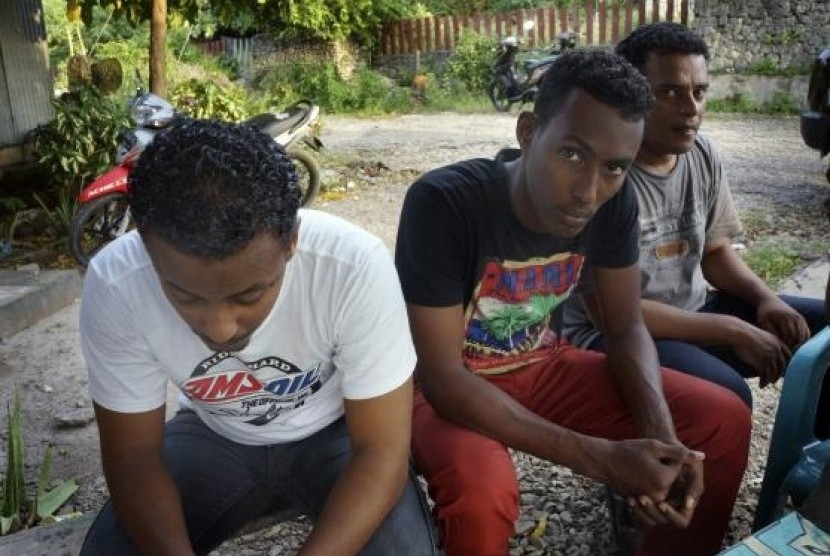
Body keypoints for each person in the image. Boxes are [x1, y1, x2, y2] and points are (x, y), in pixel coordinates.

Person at [395, 48, 751, 556]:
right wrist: (601, 458)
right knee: (483, 494)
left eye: (614, 167)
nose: (589, 190)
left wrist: (662, 443)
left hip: (542, 363)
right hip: (438, 385)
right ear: (527, 131)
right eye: (573, 154)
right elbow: (442, 378)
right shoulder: (445, 203)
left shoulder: (613, 200)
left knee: (721, 418)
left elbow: (625, 326)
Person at [78, 119, 441, 556]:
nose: (219, 328)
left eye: (249, 293)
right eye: (183, 294)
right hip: (212, 436)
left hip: (338, 433)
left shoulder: (352, 267)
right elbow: (133, 457)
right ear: (147, 246)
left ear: (292, 241)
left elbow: (381, 451)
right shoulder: (118, 282)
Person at [563, 22, 826, 409]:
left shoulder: (702, 154)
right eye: (669, 92)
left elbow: (715, 251)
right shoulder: (602, 176)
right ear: (629, 96)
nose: (691, 109)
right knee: (727, 398)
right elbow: (608, 312)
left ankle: (811, 463)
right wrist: (732, 329)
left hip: (695, 311)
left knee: (822, 336)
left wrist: (767, 300)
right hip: (613, 334)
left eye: (699, 92)